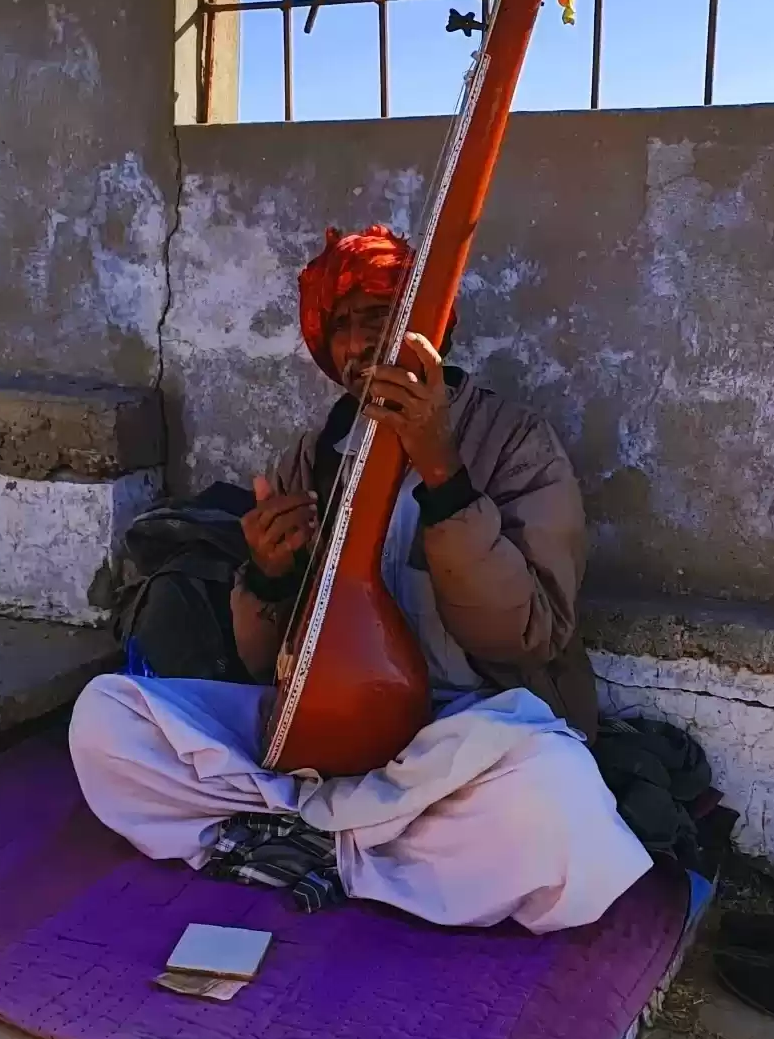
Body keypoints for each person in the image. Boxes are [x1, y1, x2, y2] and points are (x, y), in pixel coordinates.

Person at [70, 225, 652, 932]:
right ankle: (354, 844)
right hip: (323, 742)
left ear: (429, 327)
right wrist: (268, 575)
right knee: (107, 717)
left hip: (459, 730)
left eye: (383, 317)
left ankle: (305, 844)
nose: (361, 344)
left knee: (558, 805)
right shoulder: (312, 458)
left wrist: (442, 475)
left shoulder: (514, 444)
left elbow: (527, 635)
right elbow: (262, 664)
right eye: (342, 327)